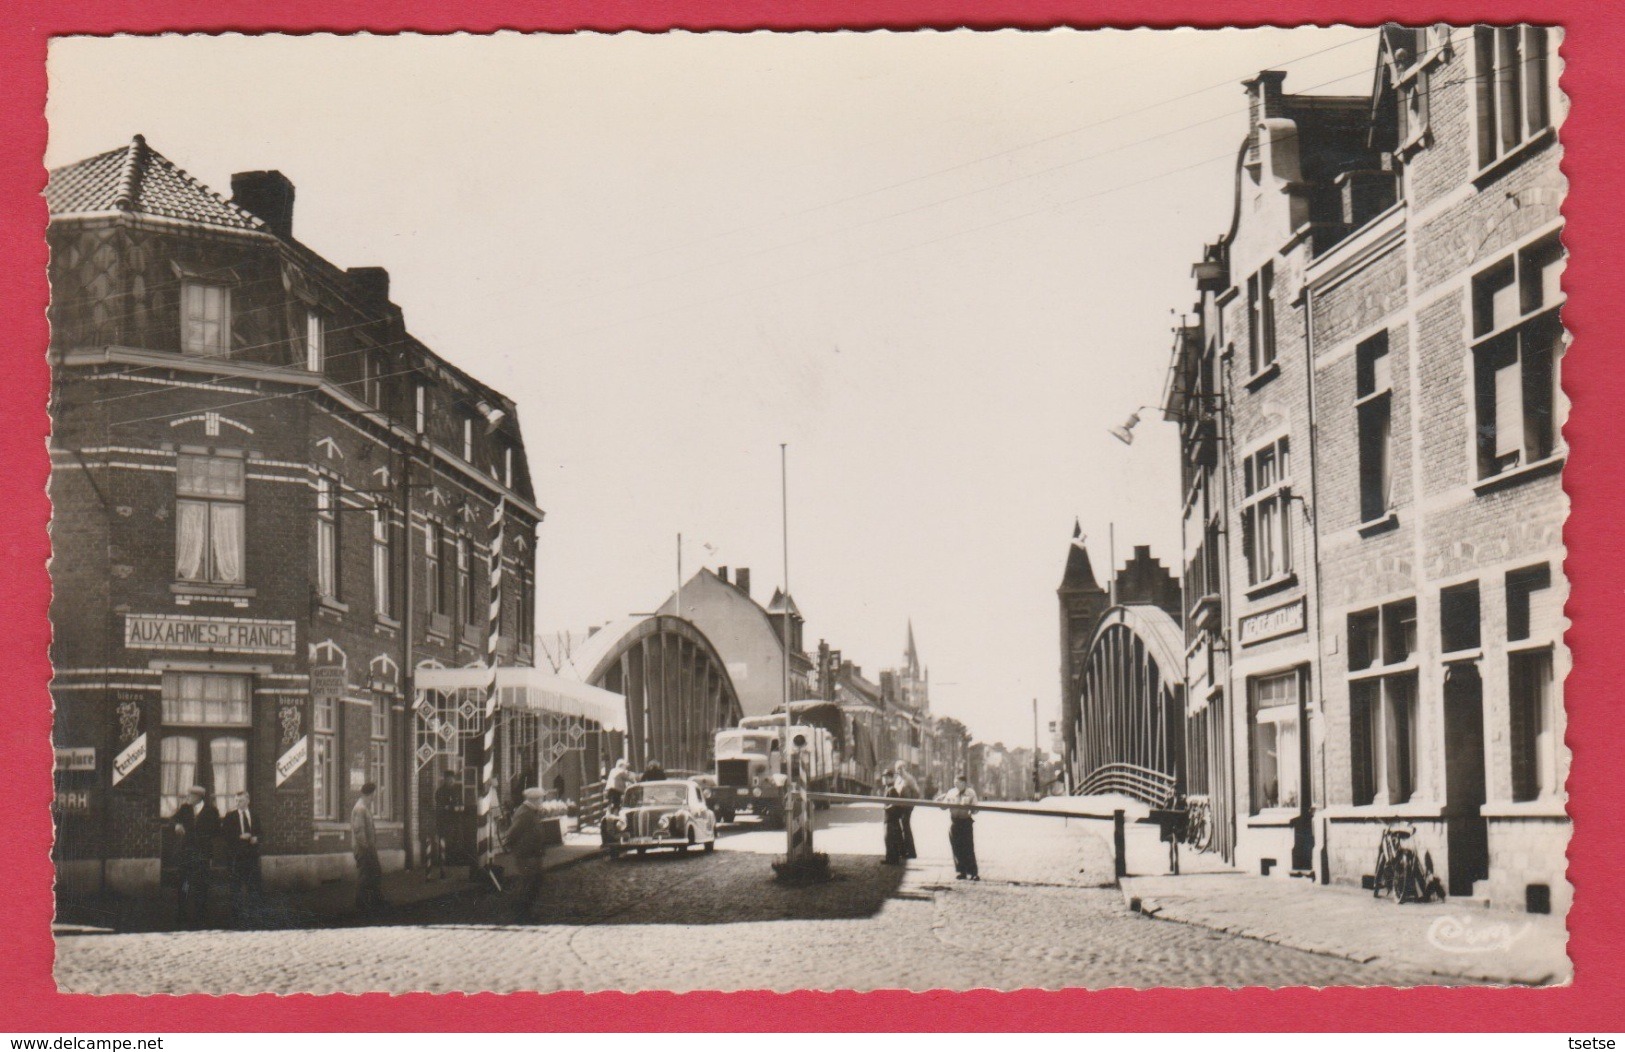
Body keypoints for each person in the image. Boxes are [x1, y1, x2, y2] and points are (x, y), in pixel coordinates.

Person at [171, 785, 220, 928]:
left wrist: (205, 839)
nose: (187, 798)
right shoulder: (185, 809)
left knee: (201, 884)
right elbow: (172, 819)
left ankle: (201, 915)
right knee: (184, 883)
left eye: (190, 796)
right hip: (186, 853)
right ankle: (182, 913)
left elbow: (216, 831)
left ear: (198, 797)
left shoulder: (211, 811)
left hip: (202, 854)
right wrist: (177, 825)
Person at [503, 786, 549, 922]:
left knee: (535, 882)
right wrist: (511, 847)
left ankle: (525, 911)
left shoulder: (531, 811)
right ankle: (521, 912)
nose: (542, 802)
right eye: (541, 799)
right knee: (529, 883)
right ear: (534, 800)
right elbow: (513, 832)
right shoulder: (524, 813)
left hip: (533, 853)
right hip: (526, 854)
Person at [221, 790, 263, 927]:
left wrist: (257, 838)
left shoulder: (254, 816)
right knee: (236, 887)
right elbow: (225, 836)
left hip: (251, 857)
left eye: (241, 801)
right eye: (236, 801)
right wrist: (239, 837)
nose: (238, 803)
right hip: (237, 857)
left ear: (248, 801)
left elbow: (261, 833)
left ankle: (252, 913)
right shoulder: (230, 816)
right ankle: (236, 915)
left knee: (252, 885)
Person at [937, 773, 980, 880]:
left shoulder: (971, 793)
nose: (956, 785)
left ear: (964, 783)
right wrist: (939, 801)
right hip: (954, 822)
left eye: (958, 783)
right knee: (956, 848)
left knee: (968, 848)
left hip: (966, 822)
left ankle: (973, 872)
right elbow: (944, 807)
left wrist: (972, 808)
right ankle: (962, 871)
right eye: (955, 783)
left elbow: (976, 809)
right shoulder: (951, 792)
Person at [352, 781, 385, 914]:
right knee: (365, 874)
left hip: (368, 847)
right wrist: (367, 848)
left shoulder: (363, 808)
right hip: (363, 848)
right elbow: (359, 831)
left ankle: (376, 900)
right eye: (373, 795)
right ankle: (361, 902)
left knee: (375, 872)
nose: (374, 798)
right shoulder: (360, 809)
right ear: (369, 795)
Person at [429, 769, 461, 880]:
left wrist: (453, 807)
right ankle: (443, 867)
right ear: (445, 780)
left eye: (453, 779)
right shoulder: (440, 791)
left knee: (453, 842)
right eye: (449, 779)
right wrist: (450, 807)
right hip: (444, 821)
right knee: (443, 842)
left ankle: (450, 864)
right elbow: (442, 806)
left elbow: (458, 803)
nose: (451, 781)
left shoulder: (457, 790)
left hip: (455, 821)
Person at [893, 762, 919, 860]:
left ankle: (911, 852)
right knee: (901, 828)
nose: (899, 770)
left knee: (906, 828)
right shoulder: (898, 780)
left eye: (901, 768)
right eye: (897, 768)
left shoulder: (909, 779)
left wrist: (911, 806)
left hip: (907, 807)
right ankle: (903, 851)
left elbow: (916, 792)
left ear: (905, 768)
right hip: (899, 807)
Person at [881, 772, 908, 865]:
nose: (884, 779)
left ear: (891, 779)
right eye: (884, 777)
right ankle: (890, 858)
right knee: (888, 839)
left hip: (891, 819)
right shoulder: (887, 789)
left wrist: (886, 808)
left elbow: (896, 804)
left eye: (887, 778)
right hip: (889, 819)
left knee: (891, 839)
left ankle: (893, 859)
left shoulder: (892, 790)